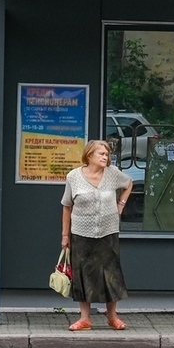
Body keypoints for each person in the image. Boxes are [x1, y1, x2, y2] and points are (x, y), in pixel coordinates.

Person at [61, 139, 133, 331]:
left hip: (108, 232)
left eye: (107, 154)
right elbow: (67, 206)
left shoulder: (112, 174)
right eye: (101, 153)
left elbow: (129, 183)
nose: (105, 157)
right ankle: (85, 319)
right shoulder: (74, 177)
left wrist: (121, 205)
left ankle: (112, 316)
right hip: (81, 233)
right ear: (89, 155)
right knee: (83, 274)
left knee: (111, 274)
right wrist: (65, 236)